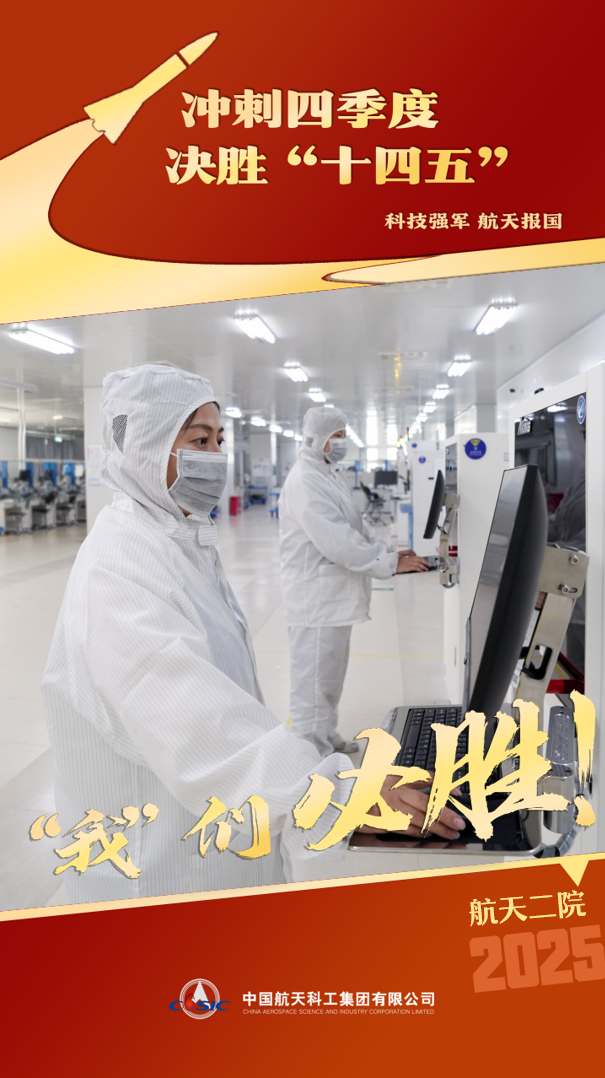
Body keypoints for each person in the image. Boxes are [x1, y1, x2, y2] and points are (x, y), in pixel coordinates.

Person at [42, 366, 463, 903]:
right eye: (199, 440)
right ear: (146, 446)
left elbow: (222, 701)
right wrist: (339, 794)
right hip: (154, 877)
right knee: (312, 693)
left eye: (219, 440)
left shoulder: (175, 536)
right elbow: (197, 724)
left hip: (206, 843)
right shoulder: (120, 567)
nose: (216, 456)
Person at [278, 405, 428, 758]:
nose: (343, 442)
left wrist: (391, 552)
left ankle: (326, 736)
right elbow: (338, 541)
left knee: (329, 677)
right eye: (338, 436)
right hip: (314, 599)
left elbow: (354, 528)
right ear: (318, 439)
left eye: (344, 435)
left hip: (331, 598)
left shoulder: (325, 474)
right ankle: (309, 756)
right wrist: (389, 564)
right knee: (312, 684)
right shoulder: (305, 480)